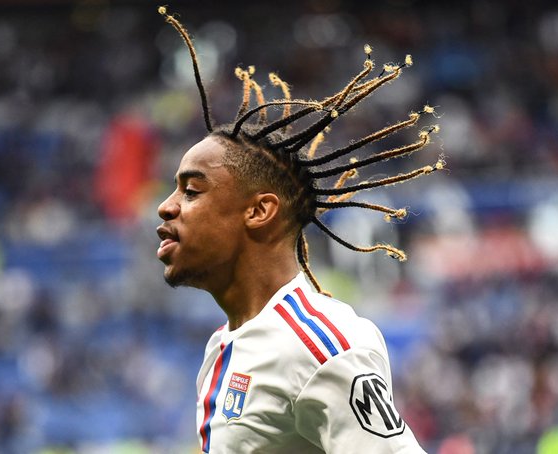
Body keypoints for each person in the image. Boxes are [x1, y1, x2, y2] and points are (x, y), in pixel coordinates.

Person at [156, 7, 442, 453]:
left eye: (191, 191)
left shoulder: (321, 347)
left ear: (259, 211)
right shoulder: (223, 346)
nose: (167, 206)